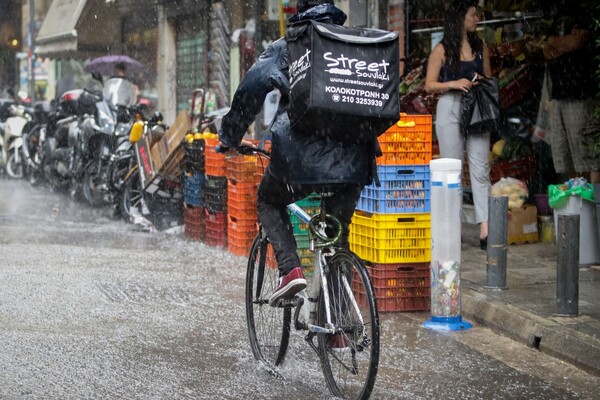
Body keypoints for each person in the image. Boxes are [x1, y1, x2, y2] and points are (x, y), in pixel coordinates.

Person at [218, 0, 378, 305]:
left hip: (301, 161)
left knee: (268, 199)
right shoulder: (353, 43)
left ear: (298, 11)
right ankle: (339, 331)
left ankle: (290, 270)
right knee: (336, 237)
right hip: (355, 159)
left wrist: (229, 136)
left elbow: (250, 91)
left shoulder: (288, 45)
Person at [424, 0, 491, 249]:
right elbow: (429, 85)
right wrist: (453, 83)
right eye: (473, 15)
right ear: (460, 18)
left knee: (480, 169)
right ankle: (453, 226)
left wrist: (478, 80)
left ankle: (485, 226)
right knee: (452, 169)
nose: (477, 19)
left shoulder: (481, 47)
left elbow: (489, 79)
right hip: (450, 106)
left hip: (477, 108)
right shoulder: (442, 49)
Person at [543, 3, 600, 184]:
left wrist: (558, 44)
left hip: (581, 93)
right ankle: (576, 200)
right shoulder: (558, 13)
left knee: (586, 156)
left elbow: (578, 41)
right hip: (559, 94)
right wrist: (562, 43)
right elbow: (546, 48)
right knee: (564, 156)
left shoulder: (586, 12)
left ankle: (592, 206)